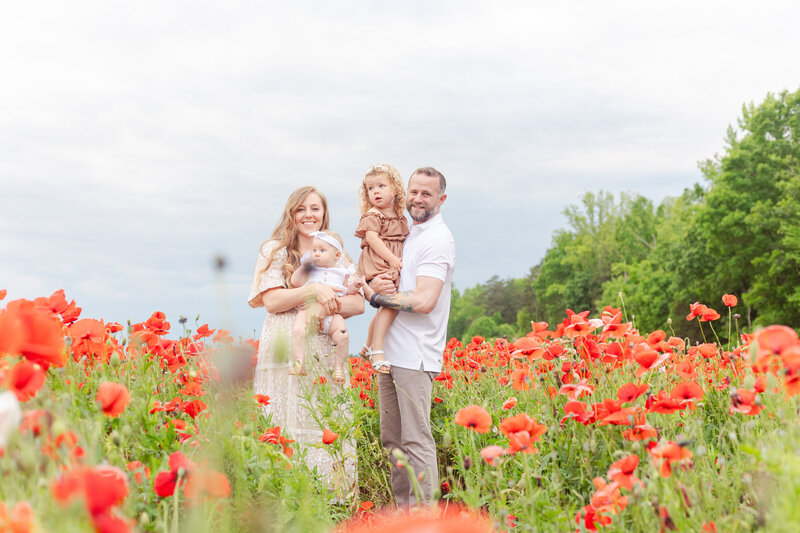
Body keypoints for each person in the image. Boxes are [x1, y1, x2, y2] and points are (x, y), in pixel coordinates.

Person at [248, 186, 363, 499]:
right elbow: (272, 301)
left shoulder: (337, 252)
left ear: (324, 213)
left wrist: (329, 303)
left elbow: (357, 305)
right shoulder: (275, 250)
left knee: (323, 419)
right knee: (284, 421)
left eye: (316, 208)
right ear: (291, 214)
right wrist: (312, 293)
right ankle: (282, 502)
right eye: (301, 209)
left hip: (325, 346)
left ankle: (330, 503)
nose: (309, 215)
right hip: (286, 344)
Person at [361, 167, 455, 506]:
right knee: (394, 443)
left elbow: (425, 300)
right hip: (391, 355)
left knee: (416, 441)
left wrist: (375, 298)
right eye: (414, 192)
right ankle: (404, 516)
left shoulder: (436, 239)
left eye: (426, 194)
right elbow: (392, 281)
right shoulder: (410, 234)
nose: (418, 198)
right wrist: (373, 287)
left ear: (441, 199)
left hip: (415, 356)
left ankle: (426, 520)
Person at [354, 163, 409, 374]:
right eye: (370, 188)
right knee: (391, 303)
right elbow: (372, 239)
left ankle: (368, 345)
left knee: (386, 307)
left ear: (395, 189)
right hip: (379, 263)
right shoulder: (374, 214)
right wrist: (393, 259)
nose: (375, 191)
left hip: (389, 262)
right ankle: (377, 349)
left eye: (381, 186)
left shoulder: (400, 217)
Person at [288, 230, 360, 384]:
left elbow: (348, 290)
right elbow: (295, 282)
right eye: (314, 250)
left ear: (337, 255)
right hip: (308, 309)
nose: (316, 254)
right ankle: (299, 362)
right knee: (298, 330)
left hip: (333, 314)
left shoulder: (342, 272)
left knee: (343, 335)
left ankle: (338, 367)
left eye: (322, 250)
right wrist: (303, 267)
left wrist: (356, 285)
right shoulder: (311, 270)